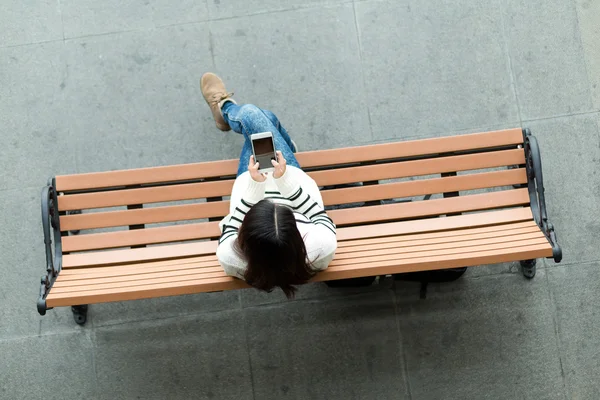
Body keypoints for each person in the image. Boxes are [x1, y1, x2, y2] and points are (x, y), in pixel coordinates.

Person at [200, 73, 337, 298]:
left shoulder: (230, 255)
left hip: (251, 182)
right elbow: (319, 216)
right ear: (296, 235)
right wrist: (283, 181)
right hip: (288, 177)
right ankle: (230, 111)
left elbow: (230, 227)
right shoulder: (321, 246)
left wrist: (255, 188)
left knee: (257, 121)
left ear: (246, 235)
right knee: (259, 122)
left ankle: (226, 110)